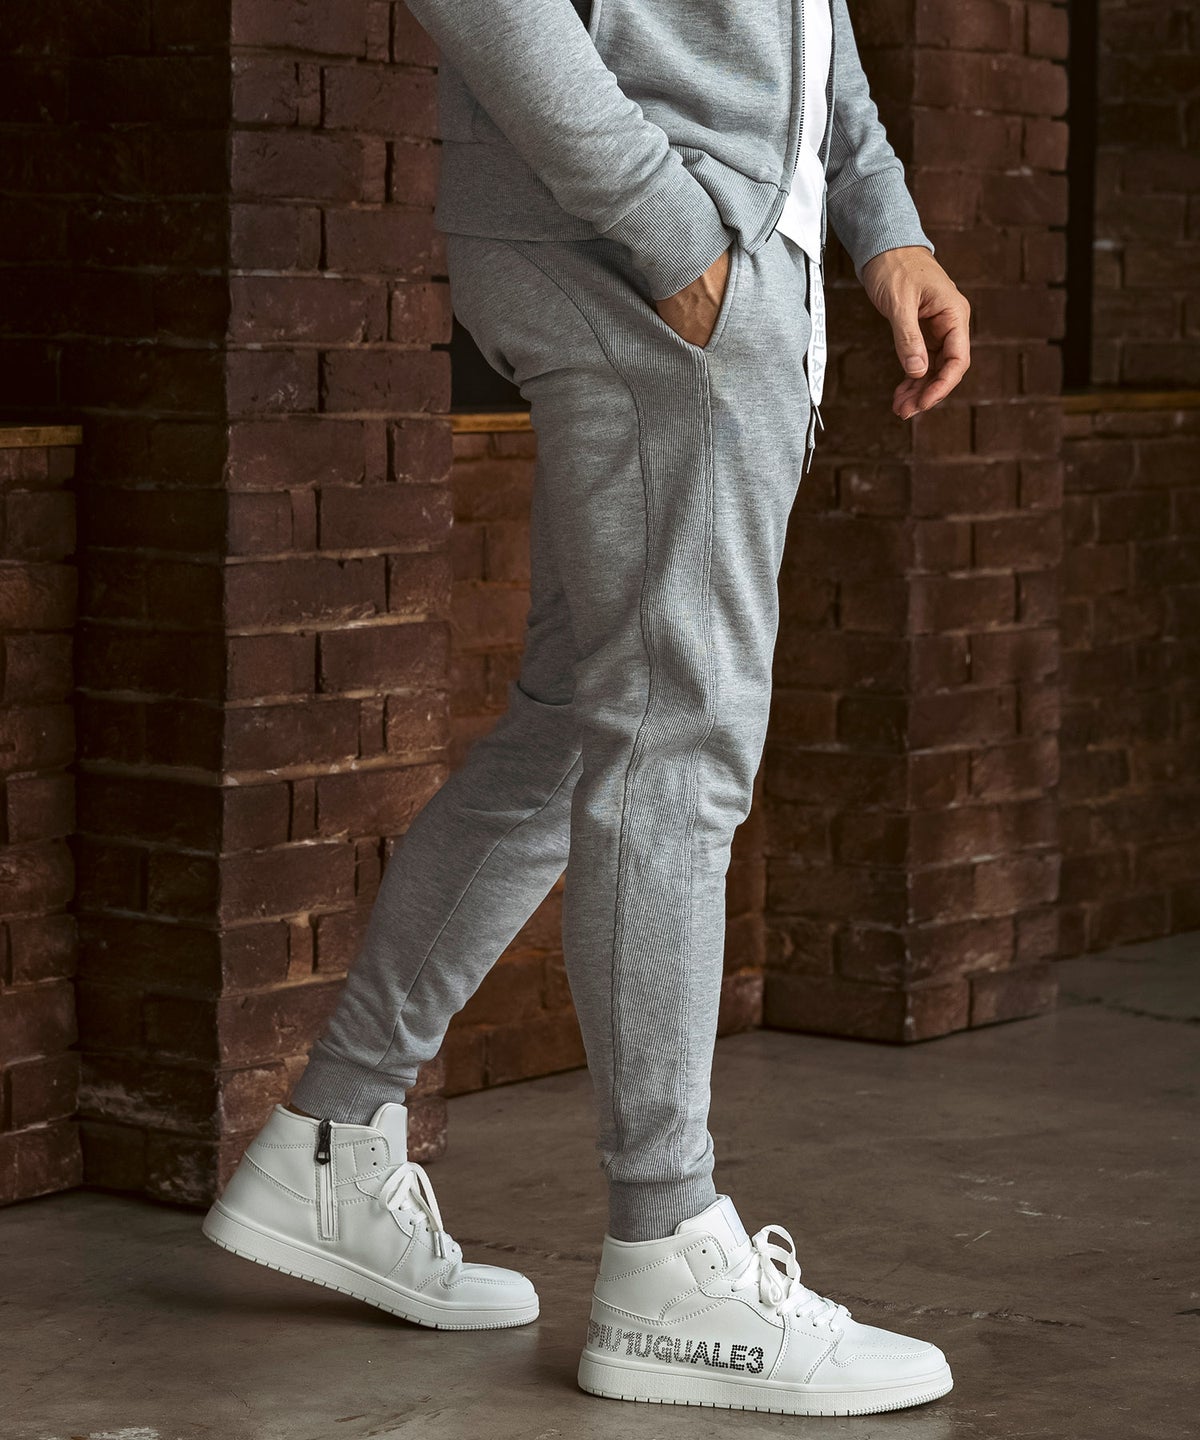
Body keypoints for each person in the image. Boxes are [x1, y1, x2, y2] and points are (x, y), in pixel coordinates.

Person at [202, 0, 970, 1416]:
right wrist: (674, 240)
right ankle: (667, 1257)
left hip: (703, 247)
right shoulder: (669, 246)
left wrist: (884, 220)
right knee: (676, 744)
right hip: (653, 251)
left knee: (575, 727)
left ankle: (331, 1140)